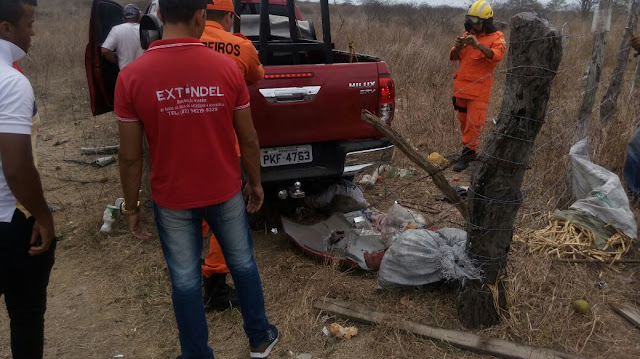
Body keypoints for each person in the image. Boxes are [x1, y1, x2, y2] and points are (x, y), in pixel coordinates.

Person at [114, 0, 278, 358]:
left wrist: (132, 207)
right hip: (223, 191)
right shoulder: (227, 69)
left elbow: (129, 156)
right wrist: (255, 182)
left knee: (185, 281)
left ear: (158, 15)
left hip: (171, 198)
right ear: (201, 16)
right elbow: (248, 138)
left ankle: (196, 353)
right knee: (244, 264)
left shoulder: (131, 77)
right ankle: (260, 337)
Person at [199, 0, 265, 312]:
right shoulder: (240, 47)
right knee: (224, 219)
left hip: (180, 150)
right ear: (228, 16)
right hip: (225, 150)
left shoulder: (173, 46)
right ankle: (214, 283)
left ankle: (190, 275)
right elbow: (257, 76)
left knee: (191, 217)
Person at [0, 0, 57, 358]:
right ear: (6, 28)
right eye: (29, 22)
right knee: (26, 316)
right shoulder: (12, 83)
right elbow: (17, 168)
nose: (32, 31)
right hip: (9, 223)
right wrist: (44, 216)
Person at [450, 0, 506, 172]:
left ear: (486, 21)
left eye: (477, 21)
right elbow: (453, 56)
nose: (473, 24)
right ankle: (467, 150)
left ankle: (468, 155)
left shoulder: (497, 37)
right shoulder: (467, 33)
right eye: (471, 20)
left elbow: (496, 56)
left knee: (474, 124)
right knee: (463, 122)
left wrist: (477, 45)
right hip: (461, 88)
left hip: (479, 91)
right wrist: (459, 46)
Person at [101, 4, 144, 70]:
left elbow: (105, 50)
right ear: (139, 17)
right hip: (143, 71)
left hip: (125, 73)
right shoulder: (145, 30)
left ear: (123, 18)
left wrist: (116, 61)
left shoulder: (116, 29)